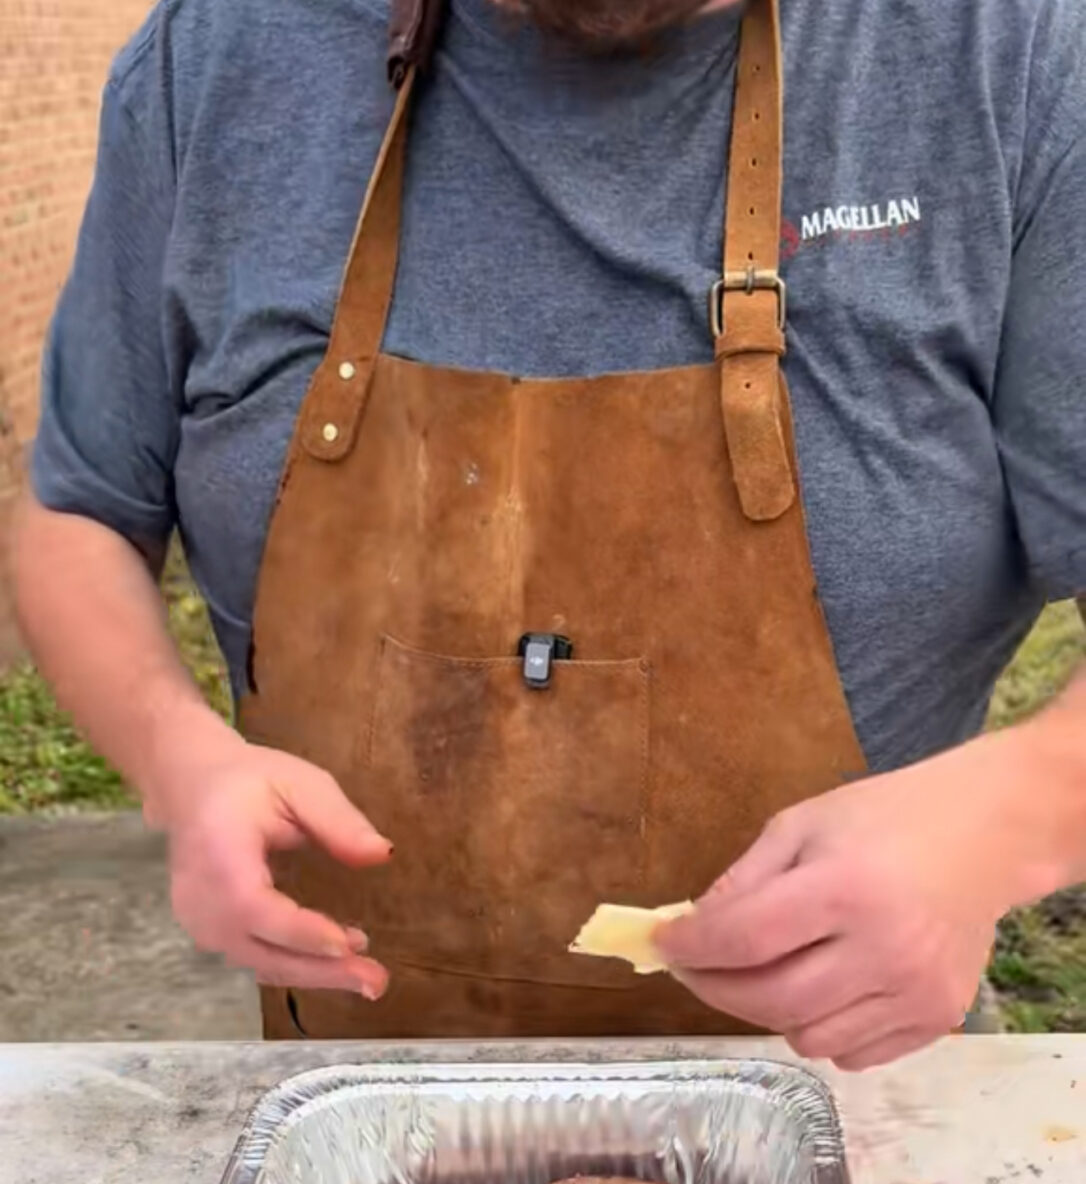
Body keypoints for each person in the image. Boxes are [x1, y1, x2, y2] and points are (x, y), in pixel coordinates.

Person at [14, 0, 1086, 1066]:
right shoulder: (213, 58)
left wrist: (1016, 812)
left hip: (852, 1090)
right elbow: (81, 508)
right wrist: (176, 757)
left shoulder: (1013, 58)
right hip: (358, 1100)